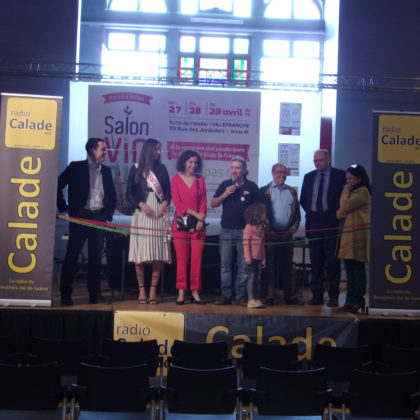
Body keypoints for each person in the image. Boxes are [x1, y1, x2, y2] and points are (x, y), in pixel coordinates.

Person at [57, 137, 116, 305]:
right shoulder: (76, 167)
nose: (105, 152)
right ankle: (65, 294)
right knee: (72, 256)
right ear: (92, 150)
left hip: (99, 217)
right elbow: (57, 184)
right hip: (81, 217)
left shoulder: (106, 171)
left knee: (96, 258)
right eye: (103, 149)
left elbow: (112, 194)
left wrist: (108, 213)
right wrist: (63, 207)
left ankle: (94, 294)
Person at [211, 156, 263, 306]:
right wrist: (225, 194)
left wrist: (258, 225)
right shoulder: (225, 185)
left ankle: (240, 295)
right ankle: (226, 295)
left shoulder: (252, 187)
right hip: (226, 230)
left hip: (245, 232)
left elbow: (259, 208)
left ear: (244, 170)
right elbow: (213, 203)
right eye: (232, 167)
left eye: (237, 168)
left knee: (243, 265)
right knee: (225, 265)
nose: (234, 170)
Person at [126, 138, 171, 304]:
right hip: (142, 212)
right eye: (156, 149)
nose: (158, 152)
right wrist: (140, 204)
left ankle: (153, 290)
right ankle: (141, 290)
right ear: (149, 150)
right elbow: (128, 193)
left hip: (158, 213)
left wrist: (164, 204)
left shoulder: (162, 168)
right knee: (140, 253)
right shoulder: (136, 168)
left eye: (160, 149)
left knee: (157, 253)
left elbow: (168, 192)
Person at [300, 149, 346, 307]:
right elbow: (304, 199)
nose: (317, 163)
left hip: (332, 221)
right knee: (316, 261)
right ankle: (317, 295)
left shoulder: (340, 175)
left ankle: (333, 296)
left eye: (320, 160)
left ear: (328, 160)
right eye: (315, 160)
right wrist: (315, 212)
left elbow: (344, 199)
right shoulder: (309, 177)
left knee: (333, 261)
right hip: (314, 221)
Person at [260, 163, 302, 306]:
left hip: (286, 236)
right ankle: (269, 296)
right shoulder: (264, 191)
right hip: (269, 235)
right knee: (269, 268)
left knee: (287, 267)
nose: (282, 175)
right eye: (279, 172)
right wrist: (268, 231)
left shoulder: (292, 191)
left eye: (284, 172)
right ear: (273, 173)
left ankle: (290, 296)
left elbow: (297, 216)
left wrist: (290, 231)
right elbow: (260, 215)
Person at [171, 150, 207, 305]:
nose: (193, 165)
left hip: (198, 226)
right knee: (181, 260)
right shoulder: (175, 179)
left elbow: (203, 201)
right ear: (184, 163)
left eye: (196, 162)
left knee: (197, 260)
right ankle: (181, 291)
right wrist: (195, 214)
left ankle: (195, 291)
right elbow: (178, 202)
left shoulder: (200, 179)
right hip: (181, 224)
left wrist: (201, 218)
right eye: (190, 162)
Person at [336, 165, 371, 313]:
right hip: (347, 236)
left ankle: (358, 300)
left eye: (350, 178)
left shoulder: (362, 192)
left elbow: (344, 206)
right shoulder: (352, 192)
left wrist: (344, 191)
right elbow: (339, 213)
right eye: (346, 178)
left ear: (359, 178)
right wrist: (343, 208)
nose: (347, 181)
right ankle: (349, 300)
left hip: (357, 236)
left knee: (357, 269)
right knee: (349, 270)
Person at [243, 203, 267, 308]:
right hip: (251, 259)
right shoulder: (248, 228)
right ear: (257, 215)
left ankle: (256, 299)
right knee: (251, 278)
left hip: (259, 258)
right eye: (263, 213)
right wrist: (247, 257)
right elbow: (245, 243)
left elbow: (262, 244)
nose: (265, 215)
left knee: (257, 279)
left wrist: (264, 258)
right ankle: (250, 299)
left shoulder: (261, 228)